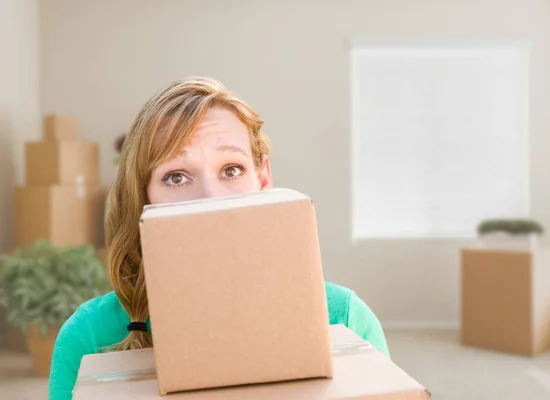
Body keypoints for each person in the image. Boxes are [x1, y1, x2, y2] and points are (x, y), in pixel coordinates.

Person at [48, 77, 389, 399]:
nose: (210, 199)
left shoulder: (344, 319)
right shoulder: (87, 338)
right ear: (144, 197)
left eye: (231, 169)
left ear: (263, 178)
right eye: (176, 176)